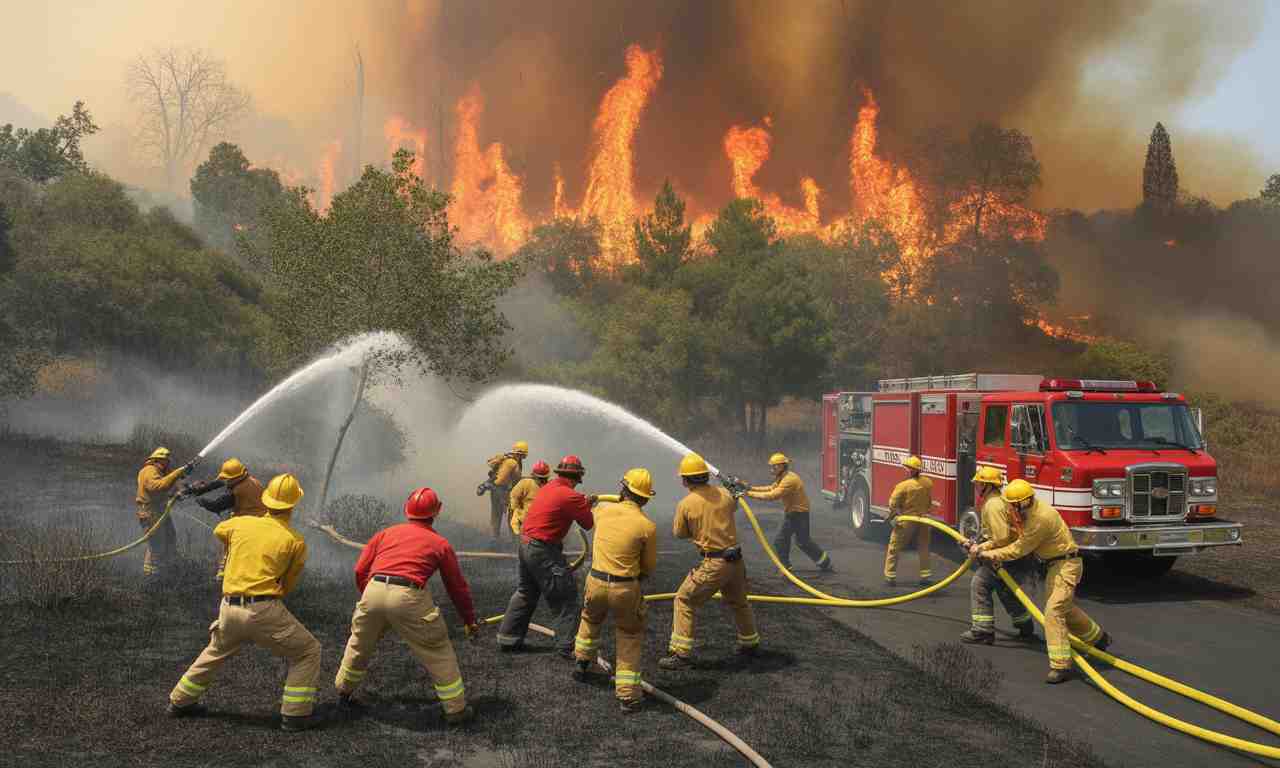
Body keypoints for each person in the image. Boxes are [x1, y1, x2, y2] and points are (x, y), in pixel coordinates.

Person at [167, 473, 322, 731]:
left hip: (229, 608)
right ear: (293, 505)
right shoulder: (295, 541)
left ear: (266, 499)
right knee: (308, 651)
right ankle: (295, 715)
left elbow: (219, 529)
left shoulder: (240, 524)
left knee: (215, 651)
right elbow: (288, 583)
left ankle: (179, 701)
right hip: (263, 609)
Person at [334, 487, 480, 725]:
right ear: (437, 512)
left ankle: (343, 691)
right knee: (437, 650)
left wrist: (374, 601)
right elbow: (457, 588)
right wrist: (469, 620)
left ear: (407, 510)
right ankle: (456, 710)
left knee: (359, 643)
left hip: (373, 589)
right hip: (409, 595)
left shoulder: (384, 534)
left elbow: (360, 570)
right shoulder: (440, 544)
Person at [972, 479, 1112, 684]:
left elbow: (1019, 548)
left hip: (1066, 565)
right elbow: (1010, 537)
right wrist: (984, 547)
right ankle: (1098, 638)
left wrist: (990, 555)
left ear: (1022, 503)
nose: (1009, 509)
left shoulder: (1040, 518)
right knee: (1064, 608)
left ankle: (1061, 665)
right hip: (1054, 565)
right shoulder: (1026, 512)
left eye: (1012, 505)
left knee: (1053, 611)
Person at [661, 453, 759, 671]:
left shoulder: (686, 504)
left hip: (714, 564)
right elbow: (735, 502)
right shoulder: (725, 494)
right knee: (739, 602)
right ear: (705, 476)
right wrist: (734, 487)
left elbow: (679, 533)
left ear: (685, 480)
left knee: (684, 600)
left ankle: (681, 652)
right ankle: (750, 643)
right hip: (736, 561)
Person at [572, 469, 658, 713]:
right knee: (629, 635)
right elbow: (649, 566)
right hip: (625, 587)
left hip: (596, 581)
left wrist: (590, 502)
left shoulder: (603, 511)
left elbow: (588, 512)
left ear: (622, 489)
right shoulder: (647, 526)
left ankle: (582, 663)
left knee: (589, 619)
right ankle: (628, 696)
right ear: (645, 498)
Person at [496, 455, 595, 657]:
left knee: (526, 592)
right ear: (576, 477)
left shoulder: (548, 488)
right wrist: (586, 505)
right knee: (566, 596)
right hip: (542, 549)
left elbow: (560, 505)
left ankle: (509, 638)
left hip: (525, 544)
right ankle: (566, 647)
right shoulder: (571, 496)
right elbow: (587, 523)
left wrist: (581, 503)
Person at [959, 467, 1036, 644]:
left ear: (986, 485)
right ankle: (1025, 627)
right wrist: (976, 543)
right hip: (1017, 555)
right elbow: (996, 533)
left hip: (1005, 555)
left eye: (978, 483)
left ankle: (982, 631)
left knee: (979, 584)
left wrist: (980, 548)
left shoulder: (992, 504)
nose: (976, 486)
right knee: (1006, 591)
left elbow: (1000, 537)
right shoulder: (998, 501)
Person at [181, 458, 269, 580]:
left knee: (235, 546)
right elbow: (217, 483)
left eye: (227, 478)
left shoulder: (238, 490)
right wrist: (196, 490)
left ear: (234, 478)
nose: (225, 480)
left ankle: (227, 574)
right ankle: (229, 572)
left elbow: (216, 506)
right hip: (261, 521)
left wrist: (200, 500)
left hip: (250, 523)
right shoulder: (248, 480)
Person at [746, 453, 833, 573]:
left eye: (774, 466)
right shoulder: (783, 476)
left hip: (797, 514)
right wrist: (749, 488)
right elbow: (770, 488)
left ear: (781, 466)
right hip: (795, 513)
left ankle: (786, 568)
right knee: (802, 541)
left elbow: (772, 495)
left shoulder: (789, 480)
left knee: (784, 541)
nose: (771, 469)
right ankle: (825, 563)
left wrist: (748, 494)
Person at [135, 447, 196, 577]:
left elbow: (169, 483)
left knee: (169, 538)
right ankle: (151, 574)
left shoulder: (159, 471)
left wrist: (184, 485)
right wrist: (179, 472)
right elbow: (157, 487)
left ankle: (168, 568)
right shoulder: (149, 471)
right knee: (157, 543)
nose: (168, 464)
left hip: (159, 512)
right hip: (150, 513)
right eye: (166, 461)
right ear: (157, 460)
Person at [883, 455, 934, 587]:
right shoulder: (928, 482)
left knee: (894, 546)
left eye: (908, 468)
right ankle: (925, 576)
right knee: (924, 546)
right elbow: (929, 501)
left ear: (910, 470)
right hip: (924, 519)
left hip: (907, 520)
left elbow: (892, 504)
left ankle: (890, 576)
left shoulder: (903, 486)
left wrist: (893, 516)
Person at [484, 441, 528, 546]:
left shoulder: (505, 459)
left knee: (496, 514)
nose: (523, 458)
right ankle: (514, 540)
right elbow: (513, 479)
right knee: (511, 514)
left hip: (495, 491)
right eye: (523, 456)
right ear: (520, 454)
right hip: (503, 492)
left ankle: (494, 538)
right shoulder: (512, 463)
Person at [508, 460, 551, 536]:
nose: (541, 481)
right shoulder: (526, 483)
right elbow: (514, 496)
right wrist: (515, 509)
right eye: (539, 478)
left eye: (544, 479)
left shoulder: (550, 486)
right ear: (534, 476)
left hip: (540, 521)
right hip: (524, 519)